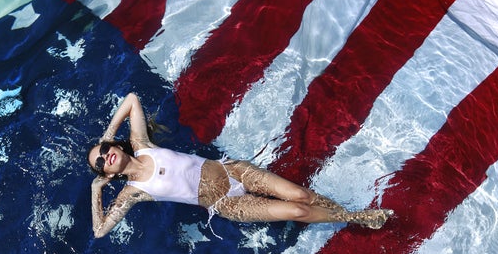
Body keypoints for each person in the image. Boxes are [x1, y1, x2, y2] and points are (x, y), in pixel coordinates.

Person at [88, 93, 393, 238]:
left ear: (114, 146)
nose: (105, 156)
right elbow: (100, 230)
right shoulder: (132, 193)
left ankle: (347, 215)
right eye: (101, 163)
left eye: (104, 150)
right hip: (228, 203)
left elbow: (131, 100)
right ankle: (356, 217)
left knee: (301, 196)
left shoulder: (143, 145)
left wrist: (107, 134)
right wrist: (95, 190)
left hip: (233, 170)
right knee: (298, 211)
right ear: (107, 173)